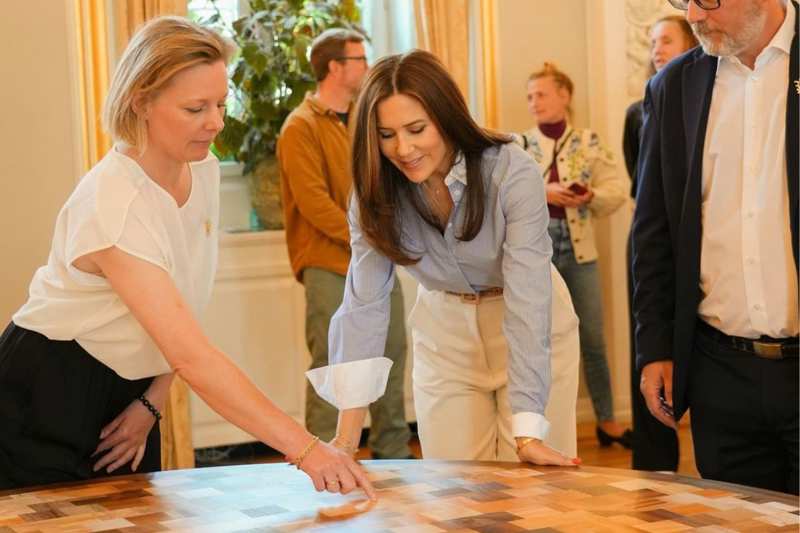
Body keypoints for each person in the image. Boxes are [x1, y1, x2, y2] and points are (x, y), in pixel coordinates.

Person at [0, 16, 374, 499]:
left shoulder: (202, 171)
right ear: (141, 102)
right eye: (196, 108)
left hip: (129, 394)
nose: (216, 122)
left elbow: (183, 305)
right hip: (47, 390)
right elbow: (192, 356)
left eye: (220, 103)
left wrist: (151, 403)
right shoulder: (114, 205)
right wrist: (306, 450)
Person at [305, 49, 582, 465]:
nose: (403, 148)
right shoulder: (372, 196)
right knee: (454, 492)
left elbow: (528, 295)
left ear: (447, 117)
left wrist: (527, 432)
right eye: (386, 135)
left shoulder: (510, 170)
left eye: (417, 129)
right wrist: (345, 439)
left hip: (529, 322)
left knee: (533, 496)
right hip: (445, 333)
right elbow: (364, 306)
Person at [632, 0, 798, 494]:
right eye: (682, 2)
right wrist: (655, 346)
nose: (692, 17)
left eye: (706, 0)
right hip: (720, 372)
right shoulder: (673, 87)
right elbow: (653, 228)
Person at [277, 29, 412, 460]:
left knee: (390, 357)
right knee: (333, 365)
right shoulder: (299, 127)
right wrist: (368, 235)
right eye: (360, 58)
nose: (368, 67)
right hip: (328, 263)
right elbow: (313, 201)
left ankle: (394, 455)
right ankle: (320, 458)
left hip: (377, 259)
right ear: (335, 67)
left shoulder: (366, 120)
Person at [522, 63, 630, 448]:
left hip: (580, 248)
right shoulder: (520, 144)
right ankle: (541, 427)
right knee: (540, 339)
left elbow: (617, 189)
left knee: (593, 339)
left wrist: (589, 196)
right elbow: (505, 197)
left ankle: (607, 421)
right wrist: (545, 192)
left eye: (542, 94)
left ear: (564, 96)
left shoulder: (589, 141)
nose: (534, 102)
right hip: (537, 252)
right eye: (530, 96)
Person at [622, 15, 697, 472]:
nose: (656, 49)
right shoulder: (640, 109)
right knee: (649, 346)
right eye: (651, 42)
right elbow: (642, 181)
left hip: (692, 240)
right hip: (651, 234)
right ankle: (653, 460)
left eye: (665, 40)